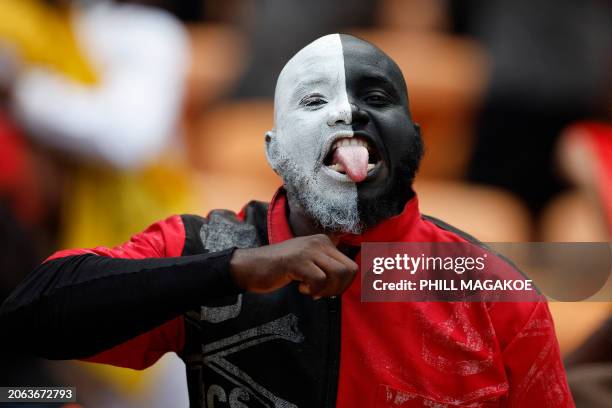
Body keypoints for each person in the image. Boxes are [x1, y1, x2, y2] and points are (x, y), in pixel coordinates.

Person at [0, 34, 573, 407]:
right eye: (315, 101)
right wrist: (233, 269)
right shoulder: (211, 247)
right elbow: (30, 316)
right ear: (273, 151)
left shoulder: (494, 291)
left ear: (416, 141)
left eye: (376, 96)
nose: (350, 113)